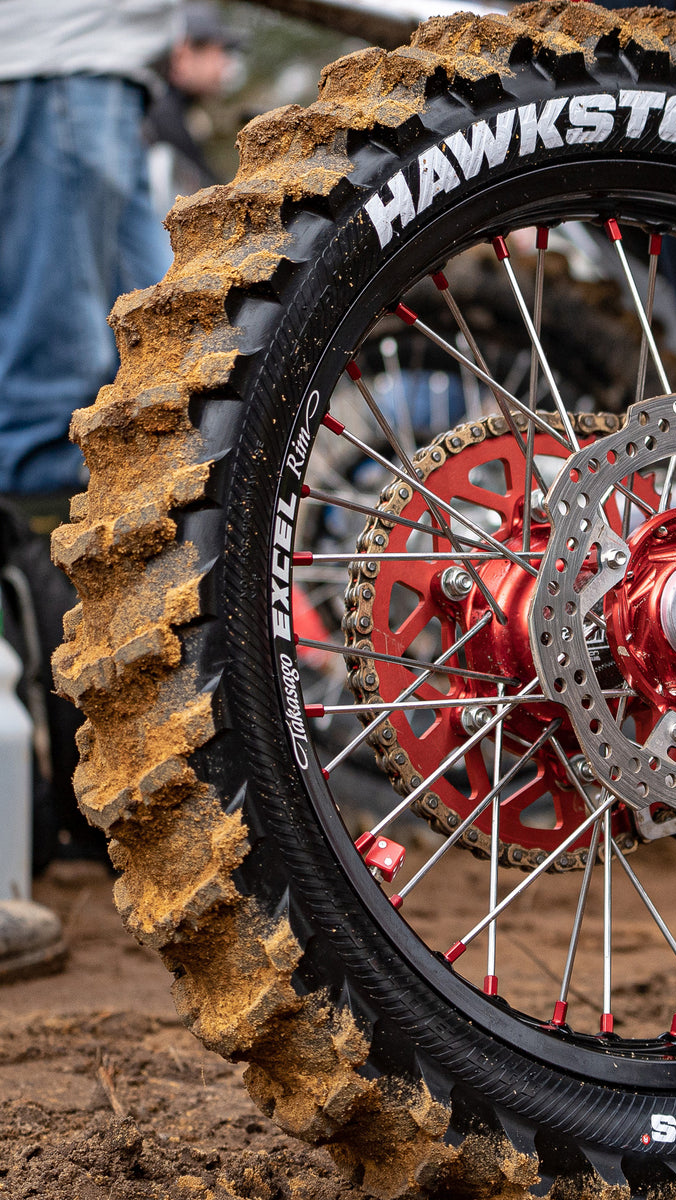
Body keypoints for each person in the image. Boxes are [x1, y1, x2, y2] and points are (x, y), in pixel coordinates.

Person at [0, 0, 180, 981]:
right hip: (56, 68)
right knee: (57, 421)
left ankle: (101, 786)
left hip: (87, 73)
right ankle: (69, 791)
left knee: (156, 411)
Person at [146, 2, 241, 216]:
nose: (225, 65)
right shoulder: (159, 119)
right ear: (184, 54)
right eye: (220, 51)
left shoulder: (167, 112)